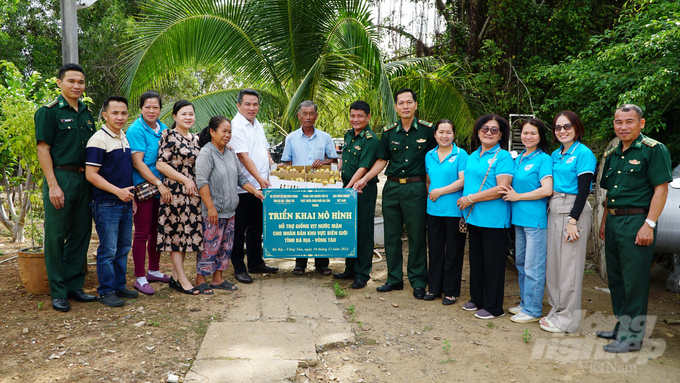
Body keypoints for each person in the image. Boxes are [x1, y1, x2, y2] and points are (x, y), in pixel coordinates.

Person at [597, 104, 672, 353]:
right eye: (618, 122)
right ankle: (623, 326)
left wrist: (649, 225)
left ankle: (633, 337)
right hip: (615, 222)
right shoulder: (613, 154)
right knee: (617, 278)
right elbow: (611, 194)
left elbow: (661, 189)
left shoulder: (653, 149)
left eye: (629, 121)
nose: (623, 127)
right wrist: (604, 221)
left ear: (641, 123)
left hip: (637, 222)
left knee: (635, 282)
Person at [354, 89, 436, 299]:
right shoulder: (389, 131)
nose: (405, 106)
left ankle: (418, 281)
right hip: (391, 188)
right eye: (401, 103)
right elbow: (382, 159)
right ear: (397, 107)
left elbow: (436, 159)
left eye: (409, 102)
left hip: (416, 188)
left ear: (416, 105)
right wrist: (364, 179)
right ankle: (394, 279)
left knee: (416, 236)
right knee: (391, 236)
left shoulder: (428, 131)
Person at [35, 63, 97, 312]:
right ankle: (58, 291)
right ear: (59, 83)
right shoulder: (48, 112)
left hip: (84, 179)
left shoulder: (87, 113)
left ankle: (74, 286)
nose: (77, 86)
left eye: (80, 82)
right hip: (60, 177)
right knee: (56, 235)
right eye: (71, 81)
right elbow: (43, 149)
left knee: (81, 233)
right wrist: (53, 185)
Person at [539, 111, 596, 333]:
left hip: (573, 211)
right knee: (554, 266)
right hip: (554, 209)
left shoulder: (583, 153)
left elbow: (583, 191)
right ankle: (557, 311)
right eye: (558, 127)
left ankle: (567, 321)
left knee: (569, 268)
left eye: (567, 126)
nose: (562, 131)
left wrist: (573, 220)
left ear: (577, 128)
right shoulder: (555, 154)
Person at [195, 116, 265, 291]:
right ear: (212, 132)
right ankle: (200, 280)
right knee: (210, 246)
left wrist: (255, 190)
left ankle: (218, 279)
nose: (227, 135)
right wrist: (210, 207)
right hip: (213, 211)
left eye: (230, 132)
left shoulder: (230, 152)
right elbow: (201, 182)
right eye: (223, 131)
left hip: (230, 210)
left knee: (225, 247)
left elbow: (240, 178)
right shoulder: (206, 153)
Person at [456, 114, 514, 319]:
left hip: (494, 218)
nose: (488, 132)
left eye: (494, 130)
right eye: (484, 129)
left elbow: (502, 188)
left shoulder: (503, 157)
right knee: (477, 260)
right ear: (478, 132)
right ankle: (477, 298)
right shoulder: (473, 156)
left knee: (493, 263)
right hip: (474, 217)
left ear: (501, 135)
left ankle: (493, 306)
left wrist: (470, 198)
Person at [85, 95, 139, 307]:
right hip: (106, 203)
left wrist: (128, 197)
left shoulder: (123, 136)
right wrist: (117, 192)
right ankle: (106, 291)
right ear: (105, 115)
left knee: (123, 246)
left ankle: (118, 286)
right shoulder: (98, 139)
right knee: (107, 250)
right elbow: (91, 174)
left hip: (124, 202)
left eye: (123, 113)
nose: (120, 117)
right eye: (115, 113)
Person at [499, 119, 553, 323]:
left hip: (535, 220)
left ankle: (533, 309)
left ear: (540, 137)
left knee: (534, 266)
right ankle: (525, 303)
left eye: (533, 133)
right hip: (518, 220)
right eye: (525, 133)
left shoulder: (543, 159)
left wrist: (518, 197)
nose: (528, 136)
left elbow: (547, 189)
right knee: (521, 263)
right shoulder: (519, 158)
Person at [156, 100, 210, 295]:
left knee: (188, 237)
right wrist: (185, 180)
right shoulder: (169, 135)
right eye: (184, 114)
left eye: (191, 114)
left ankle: (176, 276)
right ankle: (183, 280)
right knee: (176, 238)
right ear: (175, 116)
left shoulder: (196, 138)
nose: (188, 117)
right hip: (175, 194)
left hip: (193, 196)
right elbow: (161, 164)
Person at [282, 100, 338, 276]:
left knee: (321, 222)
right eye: (304, 114)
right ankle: (300, 263)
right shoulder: (290, 138)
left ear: (316, 116)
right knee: (300, 223)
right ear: (298, 115)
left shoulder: (325, 137)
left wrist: (324, 162)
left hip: (321, 186)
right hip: (298, 187)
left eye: (311, 113)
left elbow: (334, 160)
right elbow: (287, 162)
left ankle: (322, 264)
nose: (308, 117)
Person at [230, 89, 279, 284]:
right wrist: (259, 180)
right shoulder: (236, 126)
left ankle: (256, 262)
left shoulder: (257, 124)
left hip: (262, 185)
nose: (252, 108)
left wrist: (273, 170)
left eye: (255, 104)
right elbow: (243, 156)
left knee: (256, 226)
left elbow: (264, 151)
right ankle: (239, 268)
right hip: (244, 187)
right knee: (239, 229)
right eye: (248, 104)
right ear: (239, 105)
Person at [126, 91, 172, 295]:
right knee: (142, 233)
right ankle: (140, 277)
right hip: (145, 188)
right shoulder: (136, 130)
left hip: (161, 189)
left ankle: (153, 270)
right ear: (141, 108)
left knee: (157, 231)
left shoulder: (164, 128)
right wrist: (157, 183)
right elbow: (138, 162)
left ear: (160, 109)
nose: (151, 111)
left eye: (155, 107)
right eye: (147, 107)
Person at [333, 101, 379, 289]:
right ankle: (350, 268)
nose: (356, 119)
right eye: (353, 115)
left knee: (363, 231)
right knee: (349, 229)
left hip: (362, 191)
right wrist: (337, 176)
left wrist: (348, 188)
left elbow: (364, 167)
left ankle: (362, 273)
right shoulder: (349, 134)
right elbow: (345, 159)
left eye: (360, 116)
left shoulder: (371, 139)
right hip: (348, 188)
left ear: (368, 117)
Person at [424, 119, 468, 305]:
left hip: (454, 210)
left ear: (453, 134)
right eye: (441, 132)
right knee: (434, 250)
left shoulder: (461, 154)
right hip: (433, 210)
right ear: (435, 134)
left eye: (448, 132)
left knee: (453, 251)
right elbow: (428, 181)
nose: (444, 136)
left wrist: (439, 192)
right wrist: (431, 193)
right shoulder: (429, 155)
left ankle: (450, 291)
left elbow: (462, 181)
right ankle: (434, 288)